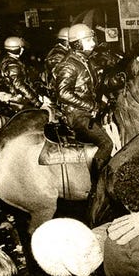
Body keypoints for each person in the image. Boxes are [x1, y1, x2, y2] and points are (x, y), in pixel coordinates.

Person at [53, 23, 114, 174]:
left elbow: (91, 88)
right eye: (88, 40)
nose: (93, 43)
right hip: (76, 114)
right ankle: (97, 184)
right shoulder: (69, 65)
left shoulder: (84, 61)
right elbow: (63, 93)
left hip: (86, 110)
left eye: (92, 39)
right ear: (78, 44)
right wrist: (91, 106)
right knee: (106, 143)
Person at [0, 36, 42, 112]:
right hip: (15, 100)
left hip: (8, 98)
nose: (23, 49)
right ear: (17, 49)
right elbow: (19, 85)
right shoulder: (13, 64)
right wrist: (36, 101)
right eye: (21, 47)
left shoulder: (7, 60)